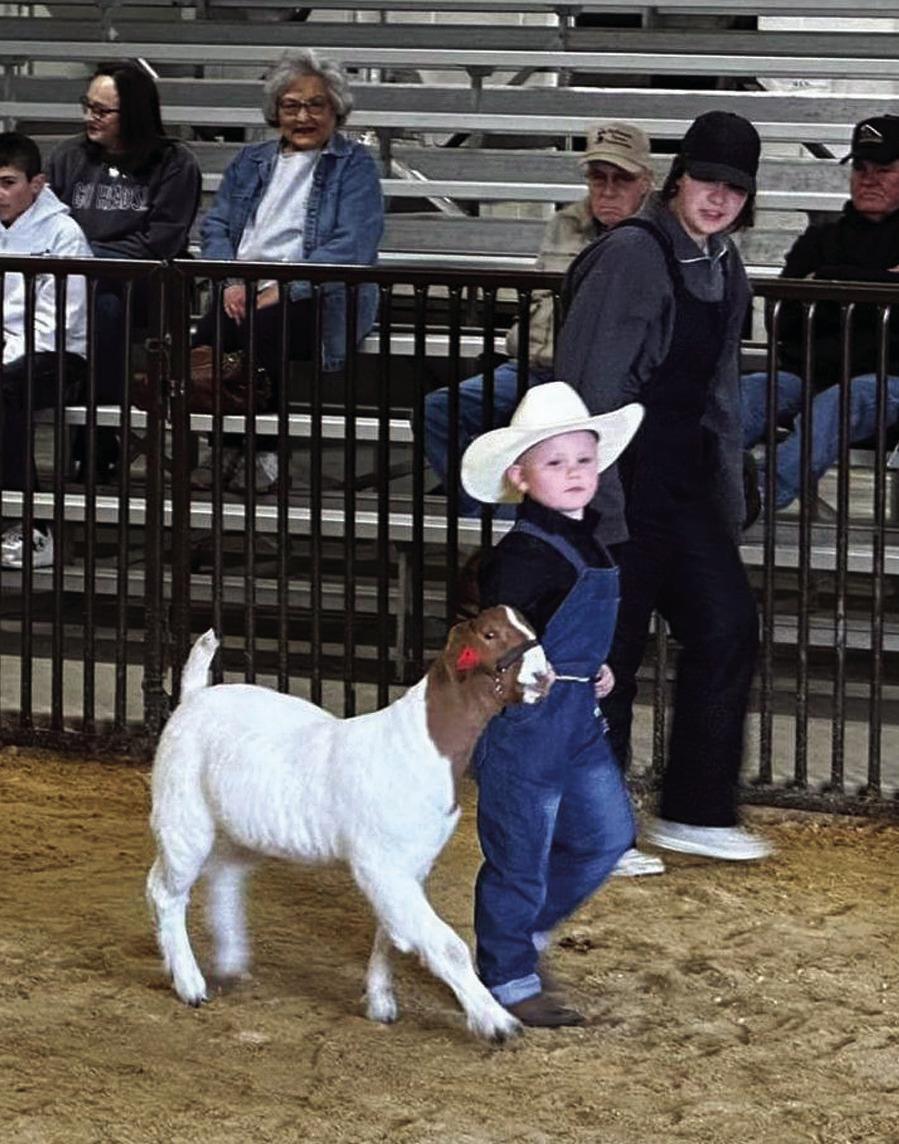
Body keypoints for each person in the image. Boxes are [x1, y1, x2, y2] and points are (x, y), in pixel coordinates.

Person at [555, 110, 772, 862]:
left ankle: (695, 809)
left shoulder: (724, 265)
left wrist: (725, 497)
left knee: (726, 624)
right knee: (609, 652)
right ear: (678, 179)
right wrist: (592, 501)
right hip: (619, 477)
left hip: (683, 482)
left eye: (734, 189)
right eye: (707, 180)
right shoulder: (631, 255)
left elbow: (720, 395)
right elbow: (588, 386)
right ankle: (592, 826)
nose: (718, 198)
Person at [461, 381, 645, 1026]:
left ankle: (522, 937)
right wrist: (538, 676)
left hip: (576, 721)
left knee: (607, 836)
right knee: (519, 855)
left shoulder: (590, 541)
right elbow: (484, 648)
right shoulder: (519, 557)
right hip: (525, 728)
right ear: (520, 476)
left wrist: (594, 669)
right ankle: (507, 976)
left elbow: (573, 634)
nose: (574, 473)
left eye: (584, 459)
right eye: (555, 462)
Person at [425, 122, 654, 517]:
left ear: (646, 183)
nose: (607, 189)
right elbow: (539, 301)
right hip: (533, 368)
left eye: (622, 179)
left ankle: (527, 523)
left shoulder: (654, 238)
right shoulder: (566, 223)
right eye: (597, 177)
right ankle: (494, 518)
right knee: (438, 410)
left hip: (596, 379)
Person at [193, 49, 384, 494]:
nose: (303, 116)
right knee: (211, 334)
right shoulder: (250, 160)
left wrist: (285, 286)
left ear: (335, 110)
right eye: (291, 105)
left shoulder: (354, 165)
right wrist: (232, 280)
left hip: (319, 293)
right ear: (275, 111)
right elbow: (216, 226)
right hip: (244, 285)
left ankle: (266, 452)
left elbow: (353, 246)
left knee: (264, 328)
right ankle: (222, 446)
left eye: (316, 105)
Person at [47, 59, 201, 480]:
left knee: (105, 305)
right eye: (87, 106)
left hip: (147, 284)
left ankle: (99, 432)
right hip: (72, 279)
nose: (89, 117)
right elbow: (46, 222)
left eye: (102, 111)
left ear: (132, 113)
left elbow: (159, 242)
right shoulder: (68, 157)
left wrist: (84, 257)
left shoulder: (174, 163)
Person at [741, 114, 899, 512]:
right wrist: (881, 285)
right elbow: (782, 319)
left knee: (843, 399)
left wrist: (828, 283)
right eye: (861, 168)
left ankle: (756, 496)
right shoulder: (821, 237)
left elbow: (805, 305)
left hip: (886, 385)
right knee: (750, 391)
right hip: (814, 376)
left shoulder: (822, 250)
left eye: (884, 170)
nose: (869, 179)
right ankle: (696, 487)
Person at [0, 131, 93, 569]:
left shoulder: (64, 233)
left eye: (7, 183)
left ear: (36, 184)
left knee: (5, 389)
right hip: (7, 351)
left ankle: (32, 527)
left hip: (58, 356)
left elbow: (57, 325)